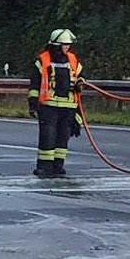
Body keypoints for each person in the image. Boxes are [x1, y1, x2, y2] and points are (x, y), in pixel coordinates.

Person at [27, 28, 83, 178]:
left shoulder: (72, 60)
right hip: (49, 106)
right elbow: (35, 84)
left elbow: (80, 78)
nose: (67, 47)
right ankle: (44, 167)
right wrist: (33, 104)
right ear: (57, 45)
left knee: (63, 137)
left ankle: (58, 166)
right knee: (48, 136)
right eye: (65, 45)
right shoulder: (43, 60)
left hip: (69, 106)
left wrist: (80, 85)